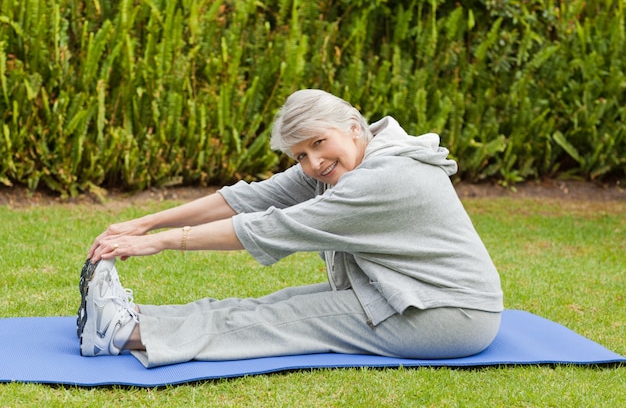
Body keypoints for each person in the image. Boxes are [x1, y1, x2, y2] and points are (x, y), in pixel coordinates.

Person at [78, 89, 503, 368]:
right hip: (411, 293)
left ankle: (121, 333)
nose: (313, 163)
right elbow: (251, 199)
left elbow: (273, 227)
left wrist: (160, 242)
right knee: (276, 303)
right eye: (301, 154)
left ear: (354, 127)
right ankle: (135, 318)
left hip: (443, 316)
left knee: (282, 318)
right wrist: (146, 221)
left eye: (319, 143)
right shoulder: (359, 154)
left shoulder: (382, 179)